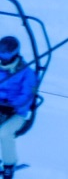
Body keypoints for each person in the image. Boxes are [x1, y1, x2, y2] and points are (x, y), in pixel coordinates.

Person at [0, 34, 38, 179]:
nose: (2, 58)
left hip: (17, 114)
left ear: (14, 53)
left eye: (5, 54)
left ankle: (9, 165)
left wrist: (11, 106)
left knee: (3, 133)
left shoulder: (27, 73)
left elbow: (27, 96)